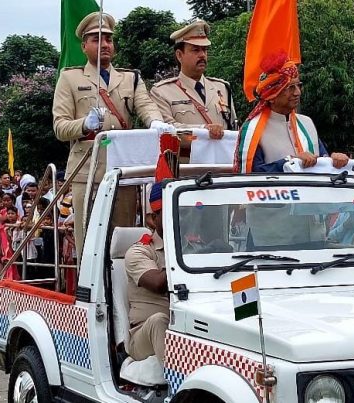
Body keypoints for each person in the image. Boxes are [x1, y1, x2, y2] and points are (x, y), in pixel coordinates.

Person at [52, 11, 174, 262]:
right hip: (87, 171)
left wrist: (155, 122)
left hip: (122, 170)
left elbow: (145, 105)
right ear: (84, 45)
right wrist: (84, 125)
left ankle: (119, 296)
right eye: (97, 39)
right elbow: (60, 127)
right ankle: (90, 296)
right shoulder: (70, 78)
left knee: (122, 239)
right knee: (89, 240)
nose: (105, 44)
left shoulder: (131, 78)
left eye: (108, 39)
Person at [233, 52, 349, 174]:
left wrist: (335, 160)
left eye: (298, 85)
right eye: (290, 88)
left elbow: (321, 161)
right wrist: (290, 162)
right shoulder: (252, 130)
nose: (297, 92)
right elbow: (252, 174)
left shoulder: (306, 123)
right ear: (272, 96)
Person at [149, 20, 237, 159]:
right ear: (179, 55)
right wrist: (203, 131)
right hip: (186, 171)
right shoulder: (161, 92)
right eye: (195, 50)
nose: (202, 55)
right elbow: (166, 132)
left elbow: (233, 129)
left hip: (222, 168)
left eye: (204, 50)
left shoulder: (222, 87)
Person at [124, 182, 169, 364]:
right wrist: (185, 254)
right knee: (159, 321)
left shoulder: (194, 247)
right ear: (152, 219)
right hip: (143, 334)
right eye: (171, 213)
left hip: (184, 328)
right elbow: (158, 284)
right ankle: (179, 389)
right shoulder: (138, 252)